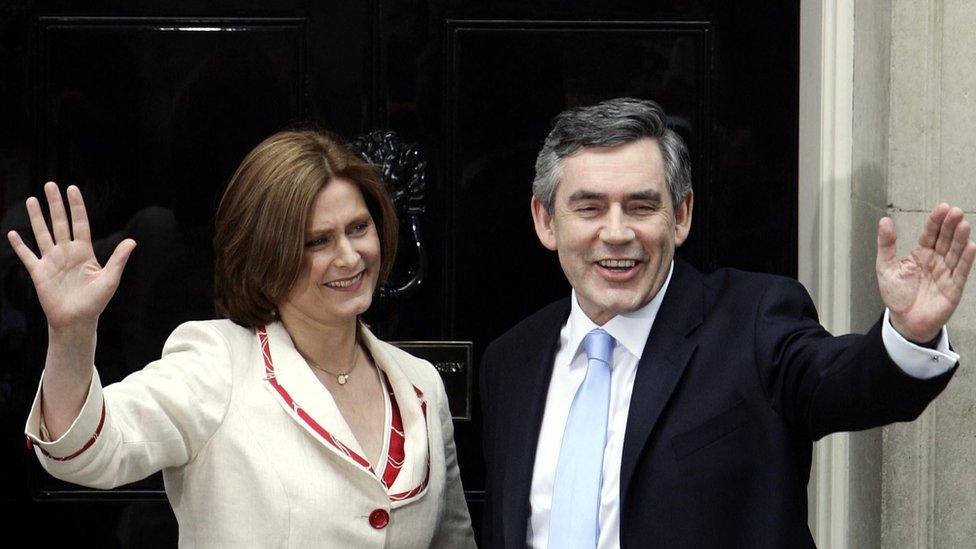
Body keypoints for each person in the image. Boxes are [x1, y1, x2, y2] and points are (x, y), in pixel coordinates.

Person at [479, 98, 975, 548]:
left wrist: (908, 334)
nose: (616, 232)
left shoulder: (754, 321)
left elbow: (846, 384)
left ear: (681, 216)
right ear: (546, 221)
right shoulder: (511, 361)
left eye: (641, 206)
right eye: (589, 208)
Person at [8, 130, 476, 547]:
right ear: (268, 254)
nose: (350, 257)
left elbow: (453, 540)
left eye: (358, 228)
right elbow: (86, 451)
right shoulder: (216, 364)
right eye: (318, 241)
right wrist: (71, 332)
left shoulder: (421, 385)